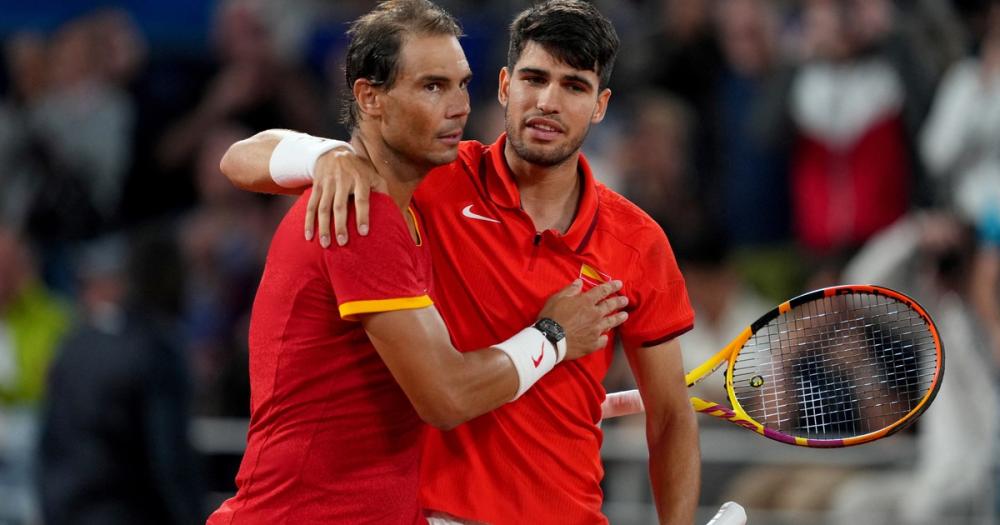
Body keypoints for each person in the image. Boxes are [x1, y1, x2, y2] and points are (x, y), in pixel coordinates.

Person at [223, 1, 700, 523]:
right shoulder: (424, 179)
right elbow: (238, 159)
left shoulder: (639, 241)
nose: (547, 102)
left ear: (601, 104)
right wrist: (325, 155)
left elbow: (672, 415)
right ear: (504, 86)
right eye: (534, 78)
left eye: (574, 87)